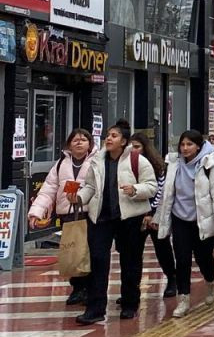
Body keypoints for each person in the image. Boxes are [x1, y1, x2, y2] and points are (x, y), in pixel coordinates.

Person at [71, 123, 157, 324]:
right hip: (100, 218)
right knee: (98, 261)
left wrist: (135, 189)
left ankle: (129, 304)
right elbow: (91, 186)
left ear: (124, 141)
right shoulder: (97, 161)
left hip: (129, 218)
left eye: (114, 136)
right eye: (107, 135)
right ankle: (95, 308)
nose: (108, 139)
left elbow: (151, 187)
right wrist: (79, 198)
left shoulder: (138, 160)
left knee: (130, 262)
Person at [156, 129, 214, 318]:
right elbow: (166, 194)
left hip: (201, 219)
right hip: (180, 218)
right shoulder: (173, 164)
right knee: (182, 259)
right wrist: (159, 218)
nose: (185, 148)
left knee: (204, 257)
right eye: (182, 144)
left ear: (198, 146)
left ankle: (211, 281)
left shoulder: (210, 164)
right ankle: (183, 299)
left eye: (189, 144)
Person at [27, 128, 95, 305]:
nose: (79, 143)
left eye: (83, 140)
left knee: (90, 252)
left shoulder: (97, 162)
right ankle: (78, 288)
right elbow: (48, 190)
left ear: (90, 144)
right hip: (68, 215)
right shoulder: (60, 164)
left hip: (91, 213)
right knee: (72, 251)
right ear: (69, 145)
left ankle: (91, 288)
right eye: (75, 140)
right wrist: (36, 212)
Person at [130, 132, 177, 299]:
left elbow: (160, 191)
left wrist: (152, 213)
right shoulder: (126, 165)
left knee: (162, 248)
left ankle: (172, 279)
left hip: (155, 213)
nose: (133, 150)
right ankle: (131, 289)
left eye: (137, 147)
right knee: (133, 253)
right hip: (134, 214)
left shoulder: (157, 166)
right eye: (131, 147)